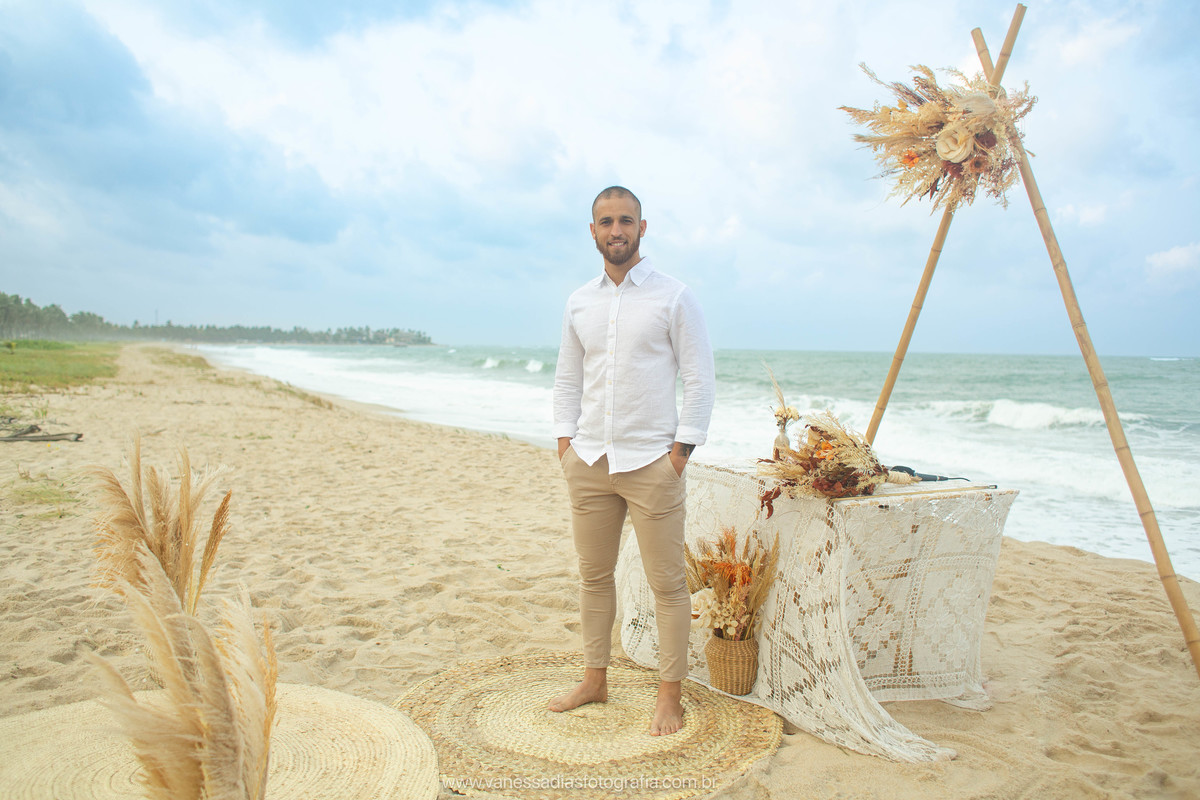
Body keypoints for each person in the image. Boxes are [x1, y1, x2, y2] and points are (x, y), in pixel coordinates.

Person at [550, 186, 715, 736]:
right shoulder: (578, 301)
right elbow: (568, 378)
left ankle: (670, 695)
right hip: (589, 459)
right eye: (605, 221)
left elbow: (699, 378)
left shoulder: (674, 297)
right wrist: (564, 444)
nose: (615, 230)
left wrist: (679, 454)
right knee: (594, 577)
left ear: (643, 228)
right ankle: (594, 680)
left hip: (652, 463)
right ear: (592, 230)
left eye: (625, 220)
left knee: (667, 584)